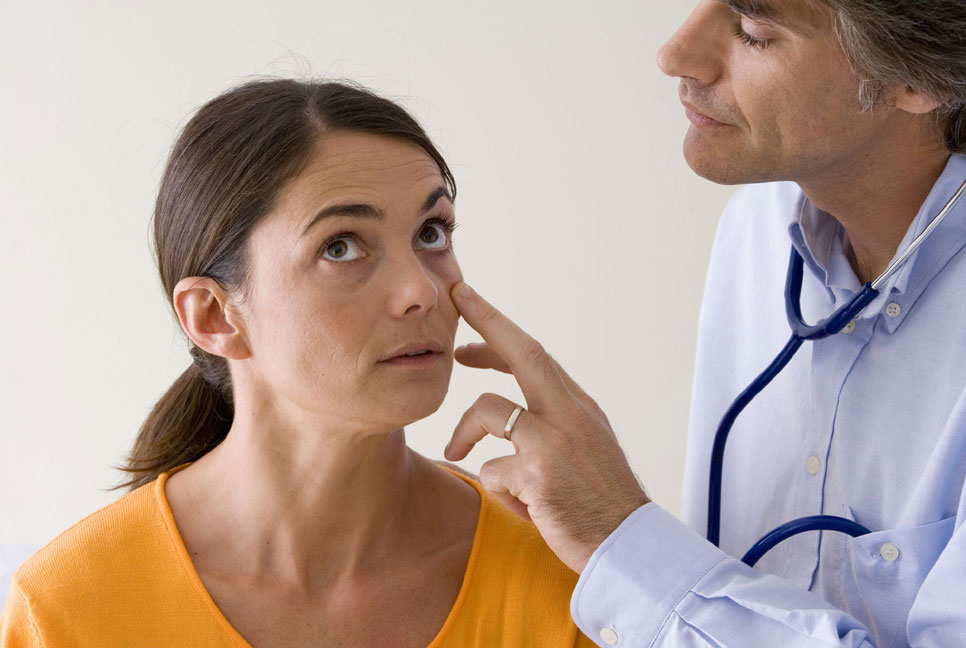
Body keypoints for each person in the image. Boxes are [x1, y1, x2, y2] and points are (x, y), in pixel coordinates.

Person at [441, 1, 966, 646]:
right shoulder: (758, 227)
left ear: (919, 75)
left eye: (754, 30)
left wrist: (618, 537)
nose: (673, 55)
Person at [0, 79, 595, 647]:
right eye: (341, 246)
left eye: (431, 233)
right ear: (214, 316)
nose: (422, 290)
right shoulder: (69, 607)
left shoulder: (570, 576)